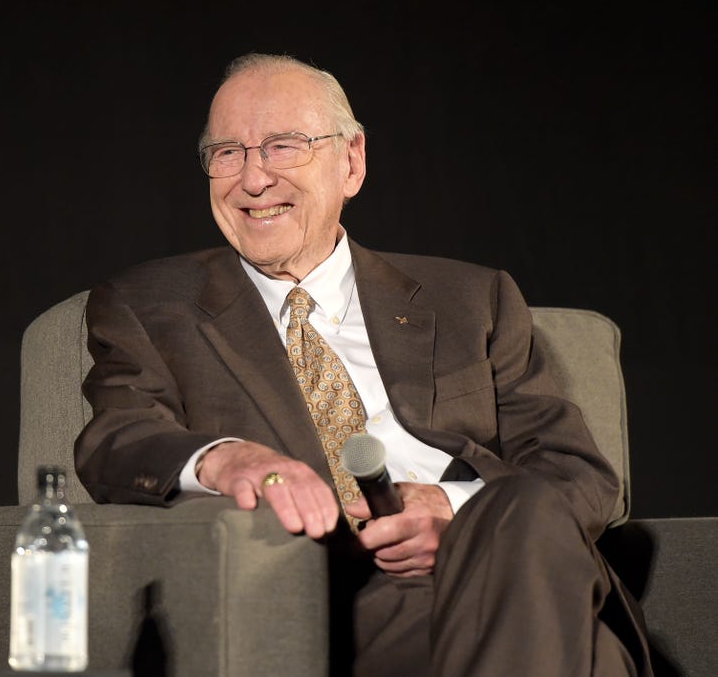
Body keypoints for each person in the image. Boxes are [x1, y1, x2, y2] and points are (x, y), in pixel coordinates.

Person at [74, 52, 652, 676]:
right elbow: (116, 437)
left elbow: (579, 476)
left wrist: (459, 517)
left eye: (281, 146)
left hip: (526, 569)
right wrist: (230, 458)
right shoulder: (148, 304)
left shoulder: (471, 300)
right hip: (348, 598)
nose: (253, 179)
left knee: (528, 507)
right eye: (227, 153)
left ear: (351, 162)